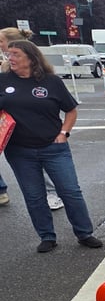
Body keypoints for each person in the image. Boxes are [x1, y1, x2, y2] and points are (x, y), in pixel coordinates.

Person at [0, 39, 102, 253]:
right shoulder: (3, 80)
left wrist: (64, 133)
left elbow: (71, 110)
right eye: (9, 54)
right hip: (19, 151)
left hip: (53, 148)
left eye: (16, 54)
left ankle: (84, 233)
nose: (11, 58)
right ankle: (47, 236)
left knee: (70, 191)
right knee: (34, 195)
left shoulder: (51, 82)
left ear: (31, 58)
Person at [1, 26, 63, 210]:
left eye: (1, 41)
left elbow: (66, 105)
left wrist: (63, 132)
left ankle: (51, 193)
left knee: (41, 160)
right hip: (11, 128)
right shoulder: (5, 66)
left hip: (33, 129)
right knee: (29, 170)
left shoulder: (29, 67)